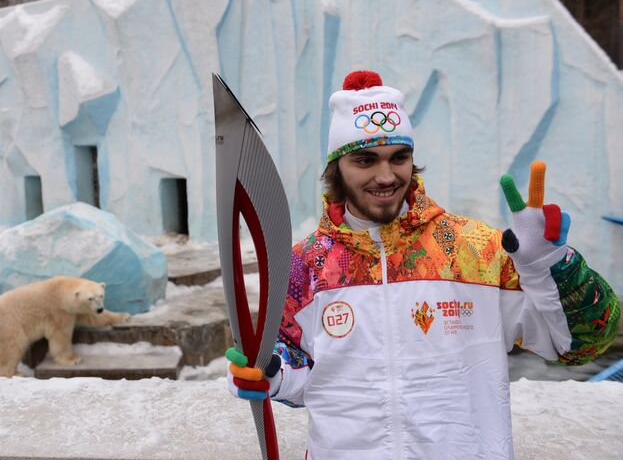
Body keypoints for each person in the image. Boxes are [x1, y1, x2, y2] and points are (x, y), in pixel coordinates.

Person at [226, 70, 620, 459]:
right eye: (365, 160)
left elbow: (582, 344)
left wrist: (553, 267)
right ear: (337, 168)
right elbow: (304, 370)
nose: (386, 176)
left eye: (399, 157)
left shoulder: (476, 251)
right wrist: (271, 373)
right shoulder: (306, 265)